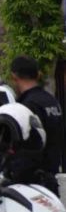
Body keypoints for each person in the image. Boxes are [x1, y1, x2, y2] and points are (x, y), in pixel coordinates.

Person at [9, 55, 64, 193]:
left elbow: (29, 147)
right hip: (50, 180)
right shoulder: (51, 101)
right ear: (38, 74)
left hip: (31, 184)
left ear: (14, 76)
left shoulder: (27, 106)